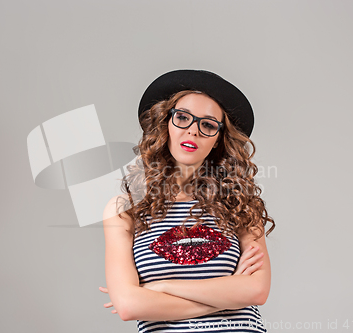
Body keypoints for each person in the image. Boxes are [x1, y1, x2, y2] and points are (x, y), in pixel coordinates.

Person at [99, 69, 275, 332]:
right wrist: (227, 297)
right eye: (182, 118)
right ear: (165, 124)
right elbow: (128, 305)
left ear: (217, 139)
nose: (193, 131)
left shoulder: (239, 204)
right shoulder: (124, 210)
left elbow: (256, 290)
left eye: (207, 124)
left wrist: (162, 288)